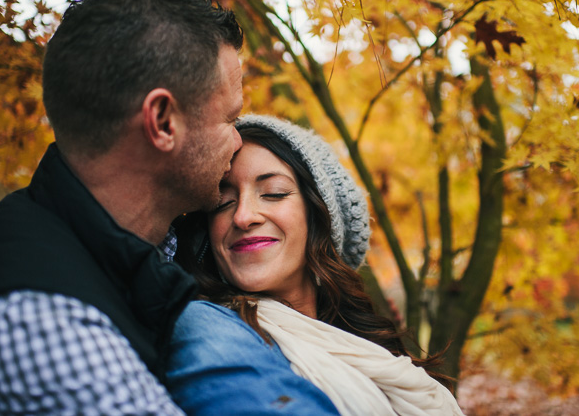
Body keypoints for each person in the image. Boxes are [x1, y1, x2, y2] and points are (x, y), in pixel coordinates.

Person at [0, 0, 329, 414]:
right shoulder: (47, 327)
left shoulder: (145, 249)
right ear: (163, 122)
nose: (237, 142)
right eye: (229, 119)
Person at [170, 114, 465, 415]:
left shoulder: (375, 354)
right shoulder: (204, 325)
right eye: (223, 202)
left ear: (319, 218)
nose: (243, 216)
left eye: (274, 193)